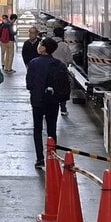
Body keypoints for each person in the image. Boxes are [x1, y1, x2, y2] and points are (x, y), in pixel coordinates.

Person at [26, 38, 70, 170]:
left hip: (37, 101)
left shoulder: (33, 63)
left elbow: (29, 84)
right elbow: (64, 85)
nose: (39, 46)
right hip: (52, 102)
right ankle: (52, 155)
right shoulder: (59, 64)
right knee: (51, 129)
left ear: (44, 48)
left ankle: (39, 158)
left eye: (41, 44)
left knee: (37, 129)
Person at [48, 27, 74, 115]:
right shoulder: (64, 45)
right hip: (61, 71)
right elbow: (70, 59)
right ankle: (63, 109)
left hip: (48, 69)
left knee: (48, 87)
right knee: (62, 89)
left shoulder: (47, 43)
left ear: (54, 33)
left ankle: (47, 108)